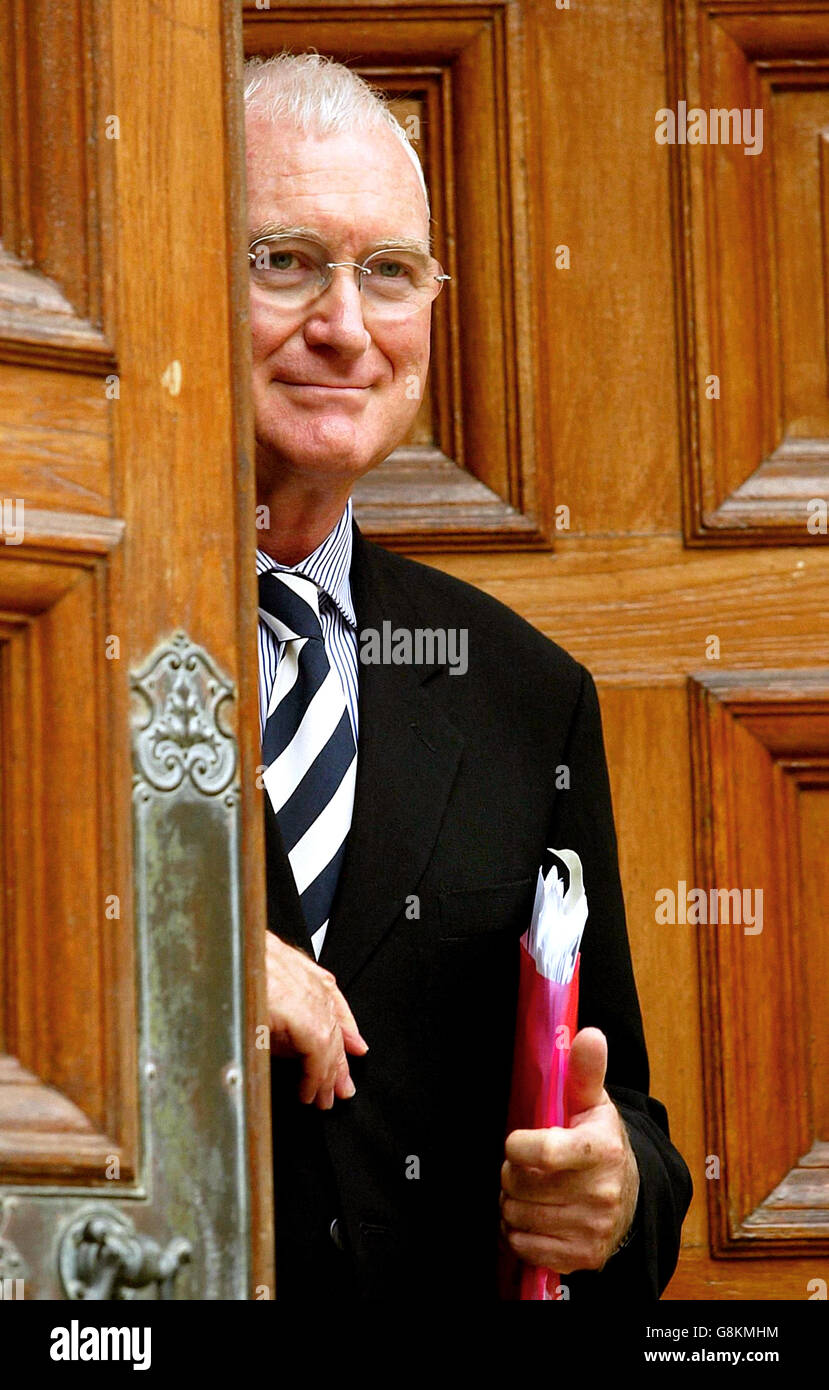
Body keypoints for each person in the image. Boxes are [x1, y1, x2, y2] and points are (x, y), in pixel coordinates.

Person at [247, 50, 692, 1301]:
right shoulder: (48, 639)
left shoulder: (521, 693)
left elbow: (631, 1138)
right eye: (281, 260)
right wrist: (182, 966)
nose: (343, 325)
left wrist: (612, 1195)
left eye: (388, 272)